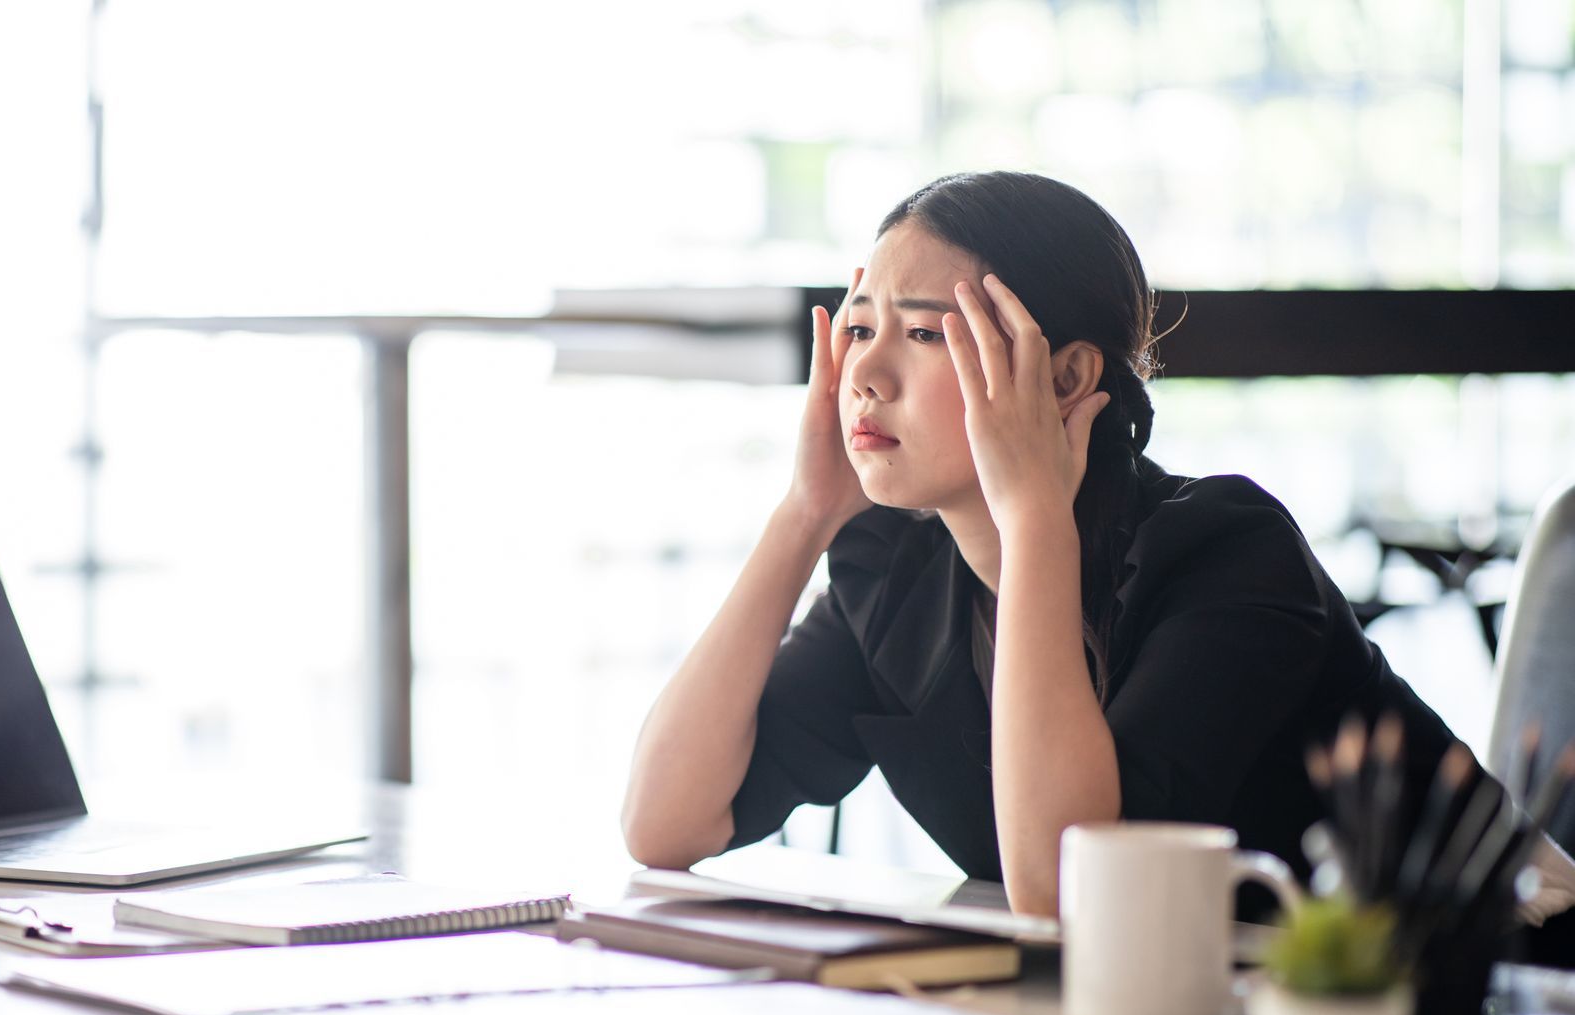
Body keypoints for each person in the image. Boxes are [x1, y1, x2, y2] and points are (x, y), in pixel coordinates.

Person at [620, 170, 1575, 927]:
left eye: (919, 333)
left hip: (1501, 1004)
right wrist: (802, 516)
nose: (864, 371)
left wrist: (1034, 518)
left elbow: (1067, 892)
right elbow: (664, 823)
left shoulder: (1230, 555)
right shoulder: (893, 570)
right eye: (859, 326)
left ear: (1068, 376)